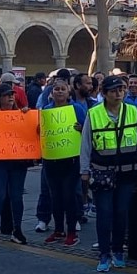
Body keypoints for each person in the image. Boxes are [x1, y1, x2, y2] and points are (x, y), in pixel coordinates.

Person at [81, 75, 137, 272]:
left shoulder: (133, 112)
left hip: (127, 172)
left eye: (121, 90)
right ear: (104, 93)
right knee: (104, 213)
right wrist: (84, 170)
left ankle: (118, 251)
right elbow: (86, 144)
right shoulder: (94, 114)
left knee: (121, 213)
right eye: (113, 91)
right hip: (102, 172)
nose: (118, 94)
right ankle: (104, 254)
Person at [0, 83, 31, 244]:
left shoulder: (21, 114)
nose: (11, 97)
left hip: (18, 161)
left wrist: (28, 117)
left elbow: (33, 130)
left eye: (12, 94)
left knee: (17, 197)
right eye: (6, 95)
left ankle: (17, 229)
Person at [42, 78, 87, 247]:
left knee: (69, 196)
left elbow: (86, 129)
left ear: (69, 93)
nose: (59, 91)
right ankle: (58, 230)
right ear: (51, 93)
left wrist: (81, 128)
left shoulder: (76, 109)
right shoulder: (46, 110)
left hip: (71, 159)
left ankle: (72, 233)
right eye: (56, 89)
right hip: (51, 159)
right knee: (56, 197)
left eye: (63, 89)